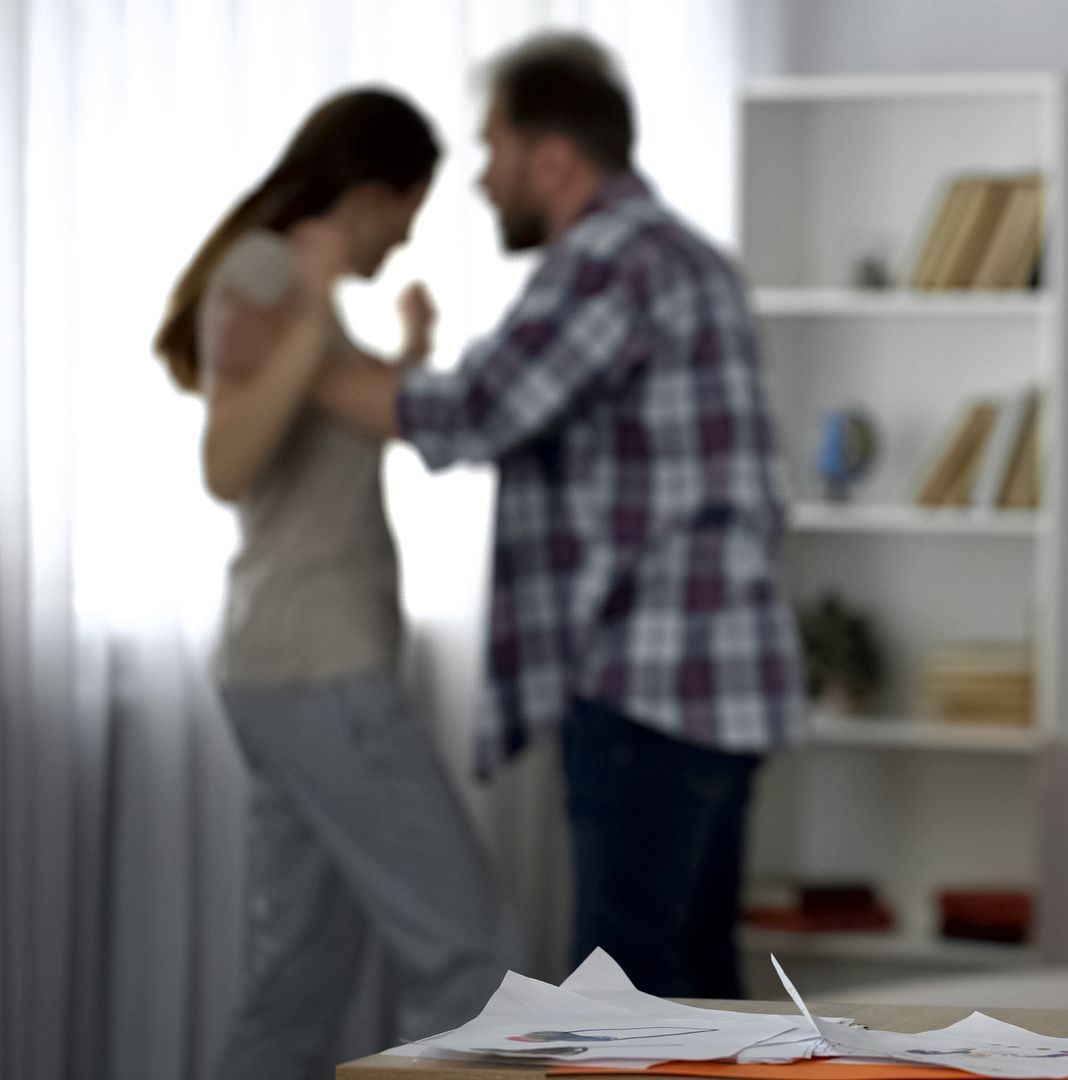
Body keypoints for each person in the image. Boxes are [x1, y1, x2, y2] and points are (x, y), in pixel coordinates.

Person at [311, 34, 804, 998]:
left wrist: (296, 365)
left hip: (650, 686)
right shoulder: (692, 257)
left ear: (552, 156)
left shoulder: (608, 260)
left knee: (624, 1011)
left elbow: (472, 412)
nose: (482, 181)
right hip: (723, 685)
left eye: (492, 150)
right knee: (702, 1001)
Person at [153, 88, 516, 1079]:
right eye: (409, 208)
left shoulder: (295, 286)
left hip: (280, 665)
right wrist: (320, 317)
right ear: (369, 193)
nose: (406, 236)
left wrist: (403, 356)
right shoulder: (273, 272)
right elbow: (229, 464)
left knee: (302, 979)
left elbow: (322, 437)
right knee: (471, 957)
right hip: (322, 670)